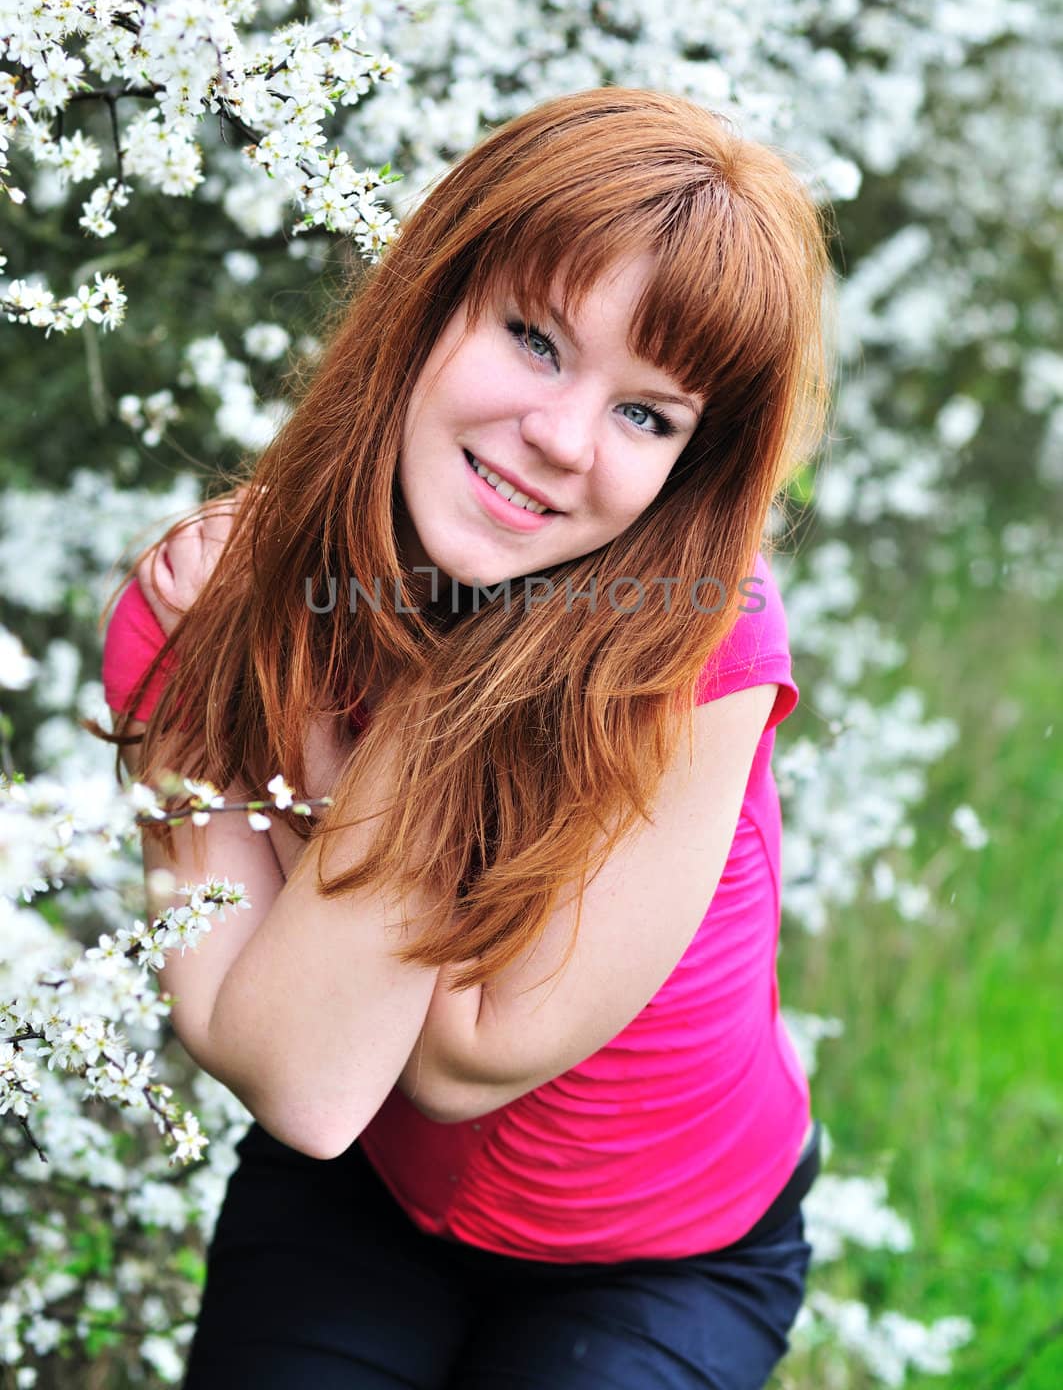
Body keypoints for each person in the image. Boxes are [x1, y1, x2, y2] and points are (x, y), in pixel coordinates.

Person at [98, 87, 835, 1390]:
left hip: (672, 1250)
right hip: (363, 1202)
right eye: (537, 340)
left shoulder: (703, 638)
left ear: (692, 474)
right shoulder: (198, 622)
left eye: (646, 415)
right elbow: (313, 1086)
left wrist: (404, 695)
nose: (558, 442)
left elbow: (464, 1055)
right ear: (432, 300)